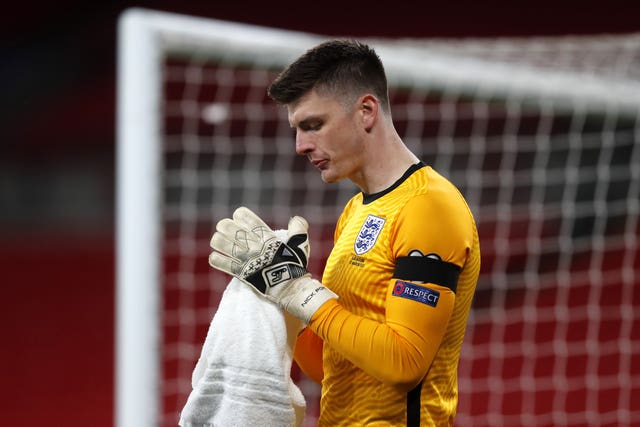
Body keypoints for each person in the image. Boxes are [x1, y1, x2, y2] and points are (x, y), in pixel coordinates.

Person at [208, 39, 480, 427]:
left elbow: (404, 363)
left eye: (313, 125)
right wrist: (282, 293)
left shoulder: (429, 206)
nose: (301, 145)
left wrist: (304, 293)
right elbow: (330, 367)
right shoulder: (355, 210)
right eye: (297, 130)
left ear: (366, 111)